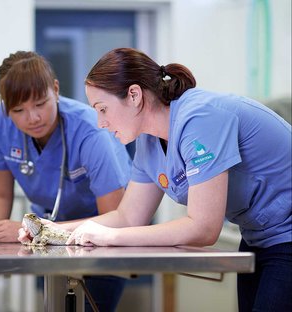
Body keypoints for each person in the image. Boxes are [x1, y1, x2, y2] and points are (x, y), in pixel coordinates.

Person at [28, 47, 290, 312]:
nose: (100, 123)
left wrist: (111, 237)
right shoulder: (149, 143)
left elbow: (203, 228)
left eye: (103, 109)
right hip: (260, 237)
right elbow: (128, 217)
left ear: (134, 95)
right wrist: (52, 230)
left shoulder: (200, 118)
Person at [0, 51, 132, 311]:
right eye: (18, 110)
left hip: (102, 239)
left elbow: (115, 218)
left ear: (55, 89)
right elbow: (0, 194)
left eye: (41, 104)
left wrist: (38, 231)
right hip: (47, 240)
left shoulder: (90, 131)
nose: (33, 118)